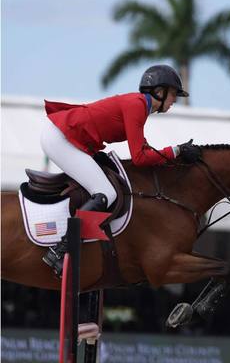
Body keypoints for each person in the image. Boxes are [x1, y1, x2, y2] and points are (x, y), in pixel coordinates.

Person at [41, 64, 200, 275]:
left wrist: (175, 154)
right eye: (173, 95)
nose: (174, 100)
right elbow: (140, 157)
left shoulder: (139, 105)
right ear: (159, 92)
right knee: (107, 193)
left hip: (67, 137)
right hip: (60, 138)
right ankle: (59, 250)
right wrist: (177, 150)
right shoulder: (136, 105)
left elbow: (143, 151)